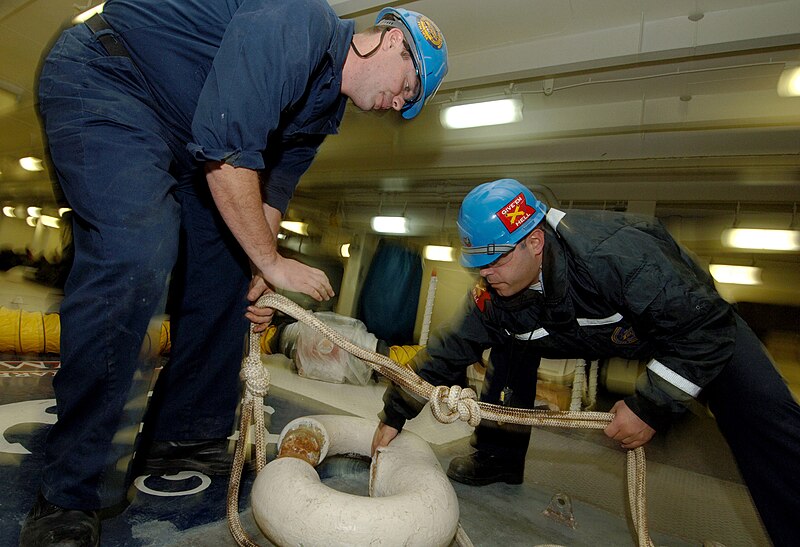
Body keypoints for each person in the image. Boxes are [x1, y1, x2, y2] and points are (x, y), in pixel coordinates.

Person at [22, 1, 447, 545]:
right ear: (391, 41)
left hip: (186, 135)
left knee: (229, 267)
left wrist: (260, 272)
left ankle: (185, 432)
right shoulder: (301, 21)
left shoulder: (323, 113)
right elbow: (228, 148)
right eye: (409, 88)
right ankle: (69, 489)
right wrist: (272, 260)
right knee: (137, 250)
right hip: (111, 79)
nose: (400, 107)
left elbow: (270, 192)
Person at [372, 178, 800, 546]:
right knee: (507, 337)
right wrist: (394, 414)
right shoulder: (496, 290)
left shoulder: (615, 256)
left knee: (765, 421)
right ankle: (499, 458)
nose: (487, 275)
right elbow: (450, 348)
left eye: (497, 260)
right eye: (478, 266)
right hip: (591, 328)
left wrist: (649, 406)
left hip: (693, 323)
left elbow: (707, 330)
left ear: (535, 242)